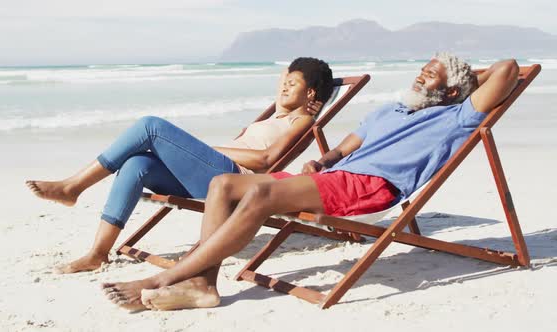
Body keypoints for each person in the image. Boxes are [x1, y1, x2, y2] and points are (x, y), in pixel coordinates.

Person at [101, 53, 520, 311]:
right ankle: (203, 284)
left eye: (430, 75)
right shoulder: (391, 109)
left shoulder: (455, 115)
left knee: (261, 191)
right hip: (336, 175)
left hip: (370, 185)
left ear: (452, 91)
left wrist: (461, 83)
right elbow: (349, 144)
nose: (419, 77)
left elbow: (507, 70)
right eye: (422, 69)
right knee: (222, 187)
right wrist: (323, 159)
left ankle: (165, 279)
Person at [25, 57, 334, 274]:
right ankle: (98, 253)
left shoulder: (303, 120)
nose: (282, 87)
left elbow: (266, 161)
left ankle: (73, 186)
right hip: (213, 174)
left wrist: (205, 149)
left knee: (150, 126)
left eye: (291, 84)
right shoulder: (277, 115)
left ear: (309, 93)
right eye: (283, 82)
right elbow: (281, 91)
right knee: (136, 163)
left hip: (234, 180)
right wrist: (288, 95)